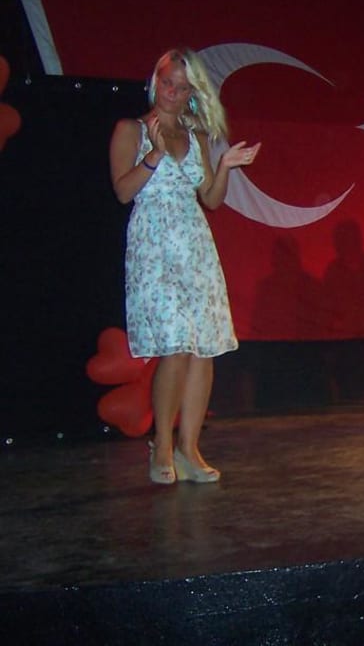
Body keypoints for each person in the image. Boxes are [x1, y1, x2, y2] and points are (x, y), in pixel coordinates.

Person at [109, 47, 261, 485]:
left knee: (204, 347)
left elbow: (210, 198)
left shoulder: (196, 137)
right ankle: (161, 443)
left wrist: (226, 165)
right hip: (154, 246)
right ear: (154, 81)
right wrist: (154, 155)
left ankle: (188, 447)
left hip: (195, 245)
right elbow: (123, 192)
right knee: (175, 344)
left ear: (193, 92)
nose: (172, 92)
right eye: (166, 82)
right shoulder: (131, 129)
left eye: (181, 86)